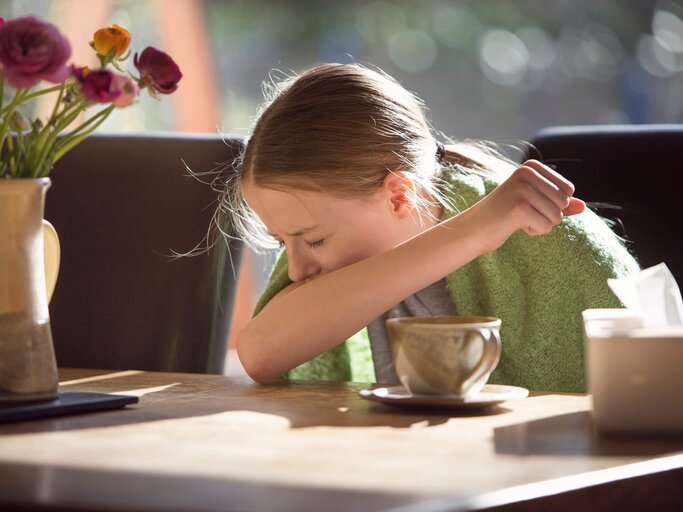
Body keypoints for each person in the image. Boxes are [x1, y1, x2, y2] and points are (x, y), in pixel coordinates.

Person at [222, 63, 639, 392]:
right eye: (282, 242)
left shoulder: (548, 240)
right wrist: (474, 231)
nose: (296, 270)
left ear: (399, 195)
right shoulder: (332, 253)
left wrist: (485, 229)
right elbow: (260, 354)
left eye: (313, 240)